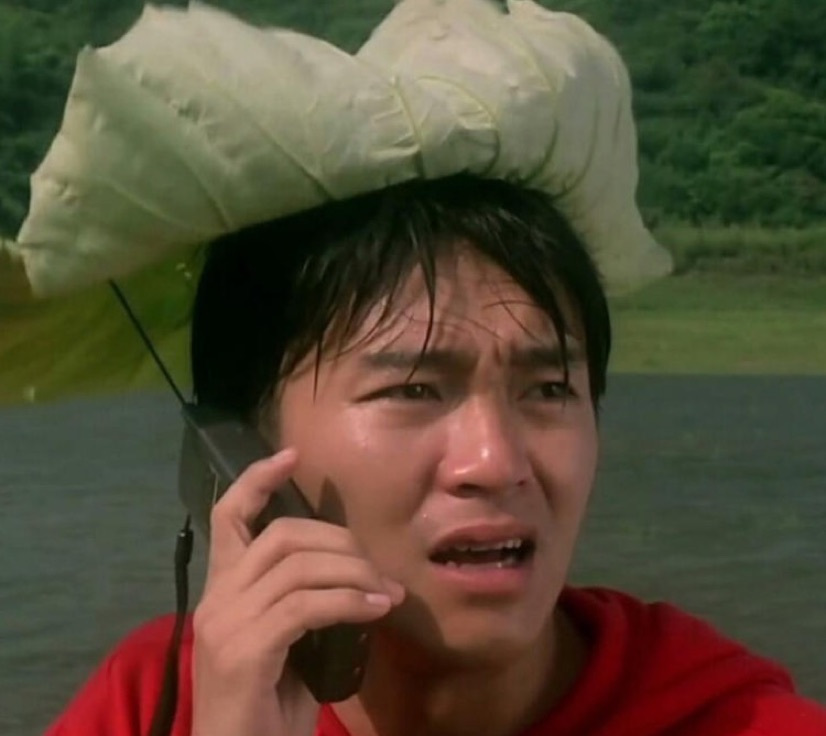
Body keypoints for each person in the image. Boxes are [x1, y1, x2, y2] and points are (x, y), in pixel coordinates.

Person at [10, 3, 824, 736]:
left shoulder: (732, 720)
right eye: (414, 390)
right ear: (241, 451)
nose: (495, 463)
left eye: (549, 389)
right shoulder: (159, 703)